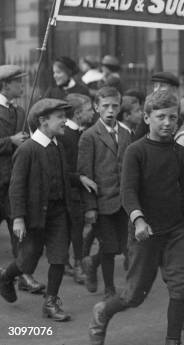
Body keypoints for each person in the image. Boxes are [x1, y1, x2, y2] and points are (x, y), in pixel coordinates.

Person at [88, 90, 184, 345]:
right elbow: (128, 191)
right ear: (147, 118)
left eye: (172, 118)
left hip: (175, 231)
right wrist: (138, 219)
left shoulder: (180, 153)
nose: (167, 123)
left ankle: (173, 340)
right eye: (160, 117)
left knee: (181, 287)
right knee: (134, 296)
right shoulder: (135, 151)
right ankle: (103, 312)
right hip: (145, 232)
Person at [0, 99, 94, 320]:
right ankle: (6, 277)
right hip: (34, 217)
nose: (65, 121)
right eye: (60, 117)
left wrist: (78, 178)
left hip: (59, 213)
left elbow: (61, 175)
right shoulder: (27, 150)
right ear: (43, 121)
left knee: (58, 258)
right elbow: (17, 187)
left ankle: (50, 303)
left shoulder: (57, 145)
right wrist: (19, 219)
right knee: (27, 260)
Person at [78, 87, 132, 299]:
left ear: (120, 107)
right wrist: (90, 207)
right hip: (102, 201)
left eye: (115, 106)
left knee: (120, 246)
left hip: (123, 201)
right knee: (109, 247)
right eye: (105, 106)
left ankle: (91, 262)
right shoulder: (89, 136)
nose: (110, 110)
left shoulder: (127, 133)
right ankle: (109, 288)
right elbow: (85, 175)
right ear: (96, 107)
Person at [0, 65, 41, 294]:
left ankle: (23, 274)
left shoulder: (21, 110)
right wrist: (10, 141)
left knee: (19, 230)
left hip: (13, 182)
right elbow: (11, 140)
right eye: (18, 82)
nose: (22, 86)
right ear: (5, 85)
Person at [59, 93, 96, 285]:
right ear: (78, 113)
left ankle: (67, 263)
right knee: (76, 228)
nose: (93, 113)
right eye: (89, 109)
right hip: (70, 190)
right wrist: (79, 178)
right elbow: (63, 169)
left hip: (78, 188)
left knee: (75, 228)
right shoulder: (65, 135)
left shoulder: (81, 132)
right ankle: (77, 266)